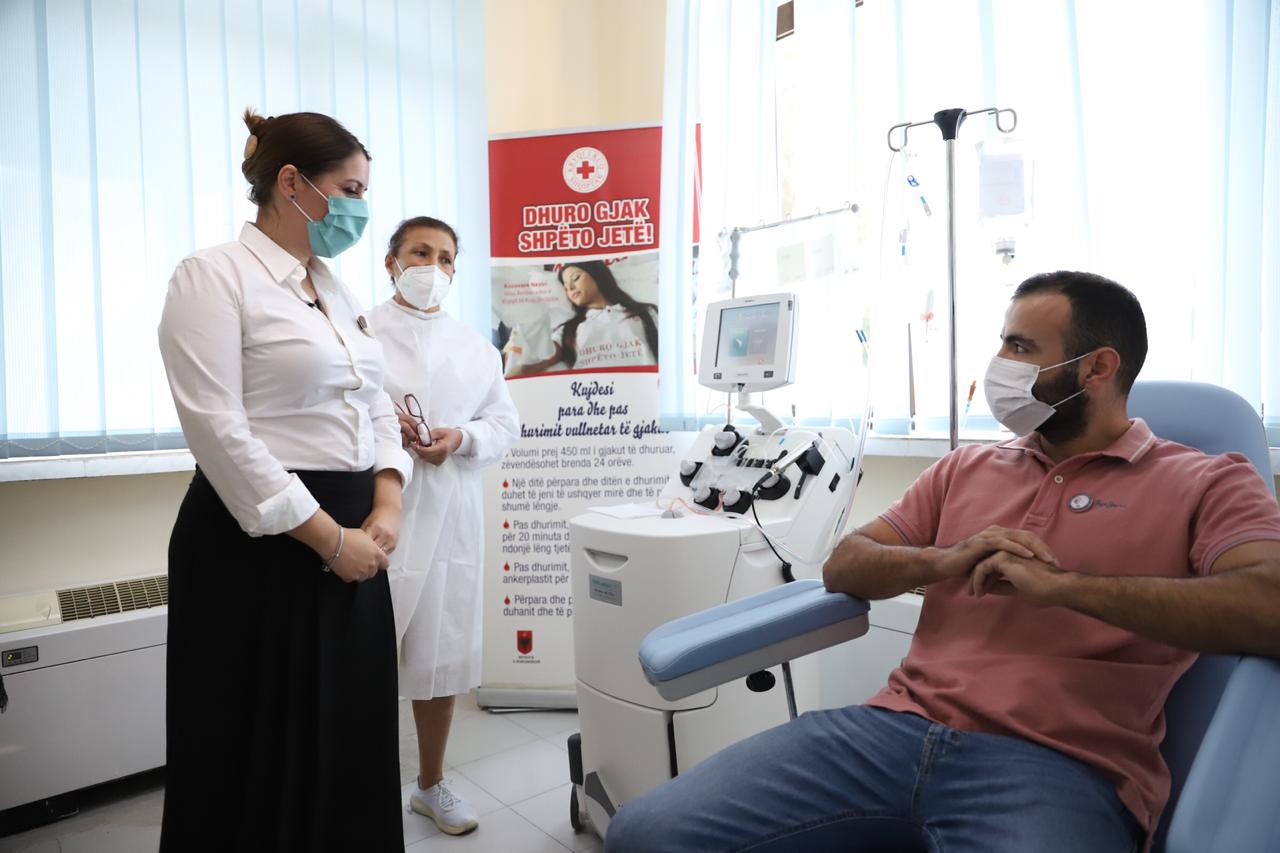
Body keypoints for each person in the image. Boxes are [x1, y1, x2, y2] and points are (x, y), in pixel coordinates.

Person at [605, 271, 1280, 853]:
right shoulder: (968, 466)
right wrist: (946, 558)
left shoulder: (1206, 479)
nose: (999, 364)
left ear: (1098, 368)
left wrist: (1066, 586)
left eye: (1021, 347)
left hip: (1060, 764)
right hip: (887, 731)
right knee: (647, 833)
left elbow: (1267, 605)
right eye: (1002, 342)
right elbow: (847, 563)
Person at [157, 109, 411, 852]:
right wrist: (330, 539)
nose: (362, 207)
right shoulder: (212, 277)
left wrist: (388, 498)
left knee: (350, 735)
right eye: (351, 187)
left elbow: (378, 405)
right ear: (292, 182)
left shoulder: (337, 291)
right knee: (253, 743)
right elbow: (219, 433)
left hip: (357, 540)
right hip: (261, 544)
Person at [369, 216, 520, 835]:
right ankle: (358, 785)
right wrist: (383, 425)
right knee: (364, 653)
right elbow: (332, 407)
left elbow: (504, 425)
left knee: (440, 655)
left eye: (446, 257)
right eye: (420, 252)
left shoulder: (476, 348)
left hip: (452, 511)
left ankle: (430, 785)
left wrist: (462, 436)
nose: (434, 265)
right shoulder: (358, 331)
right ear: (392, 261)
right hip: (378, 506)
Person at [507, 260, 658, 375]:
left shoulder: (647, 312)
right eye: (565, 286)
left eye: (576, 278)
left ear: (597, 275)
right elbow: (535, 363)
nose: (570, 288)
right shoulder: (568, 330)